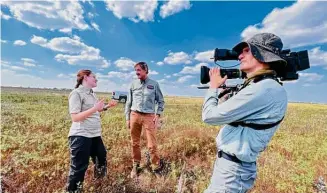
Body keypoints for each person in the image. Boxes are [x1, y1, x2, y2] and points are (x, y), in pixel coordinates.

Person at [202, 33, 288, 193]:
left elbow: (210, 116)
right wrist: (223, 93)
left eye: (246, 51)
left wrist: (213, 87)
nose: (240, 56)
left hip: (233, 172)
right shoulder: (264, 85)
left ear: (262, 54)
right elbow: (233, 114)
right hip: (233, 167)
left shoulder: (264, 88)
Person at [66, 69, 117, 192]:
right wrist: (95, 108)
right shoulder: (76, 93)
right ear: (85, 77)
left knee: (101, 160)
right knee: (78, 168)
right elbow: (75, 117)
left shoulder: (92, 93)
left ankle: (100, 186)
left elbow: (95, 110)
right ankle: (73, 191)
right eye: (94, 77)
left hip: (94, 135)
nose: (96, 79)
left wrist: (107, 106)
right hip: (80, 136)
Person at [125, 62, 165, 178]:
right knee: (134, 143)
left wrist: (157, 115)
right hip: (134, 115)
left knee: (152, 145)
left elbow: (161, 101)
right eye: (135, 70)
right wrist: (128, 118)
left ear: (145, 70)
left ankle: (156, 167)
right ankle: (135, 165)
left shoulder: (154, 84)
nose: (137, 72)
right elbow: (128, 102)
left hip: (149, 116)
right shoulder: (133, 84)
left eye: (139, 70)